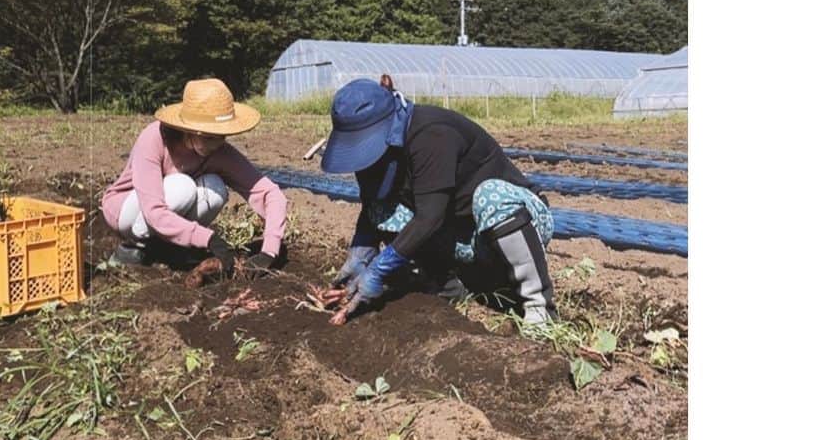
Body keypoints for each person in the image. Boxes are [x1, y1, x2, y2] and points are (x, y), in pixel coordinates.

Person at [321, 76, 556, 326]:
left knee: (491, 196)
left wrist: (379, 268)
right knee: (383, 210)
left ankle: (540, 309)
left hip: (516, 223)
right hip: (460, 237)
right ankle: (451, 291)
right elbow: (372, 205)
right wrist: (360, 251)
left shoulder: (431, 135)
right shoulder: (379, 155)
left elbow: (430, 216)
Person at [101, 78, 287, 275]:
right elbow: (154, 212)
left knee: (214, 189)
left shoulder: (220, 152)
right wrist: (208, 238)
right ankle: (135, 248)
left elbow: (270, 193)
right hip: (128, 211)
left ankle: (171, 248)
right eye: (208, 137)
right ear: (188, 129)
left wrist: (269, 251)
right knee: (182, 187)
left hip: (165, 212)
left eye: (221, 136)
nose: (216, 144)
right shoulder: (154, 139)